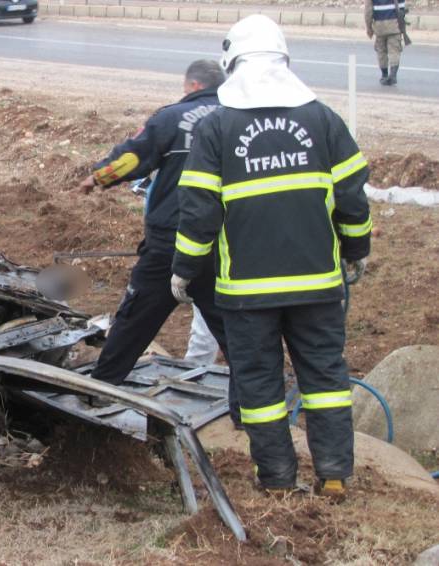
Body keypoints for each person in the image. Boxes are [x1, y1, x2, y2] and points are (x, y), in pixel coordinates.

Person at [171, 15, 372, 498]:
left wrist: (183, 268)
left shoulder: (217, 129)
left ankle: (278, 481)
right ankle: (334, 475)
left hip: (246, 294)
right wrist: (356, 249)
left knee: (259, 389)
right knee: (325, 379)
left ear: (232, 64)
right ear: (285, 61)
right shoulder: (322, 119)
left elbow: (199, 212)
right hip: (317, 286)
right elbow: (353, 198)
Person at [74, 60, 240, 423]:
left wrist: (98, 178)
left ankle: (101, 390)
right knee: (233, 326)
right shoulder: (239, 118)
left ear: (192, 86)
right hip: (222, 243)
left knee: (135, 319)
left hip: (171, 241)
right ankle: (250, 408)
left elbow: (133, 156)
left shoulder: (173, 117)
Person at [365, 0, 406, 85]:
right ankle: (393, 75)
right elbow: (402, 8)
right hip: (395, 26)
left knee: (381, 52)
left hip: (379, 27)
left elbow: (368, 12)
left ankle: (384, 75)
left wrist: (369, 28)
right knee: (394, 51)